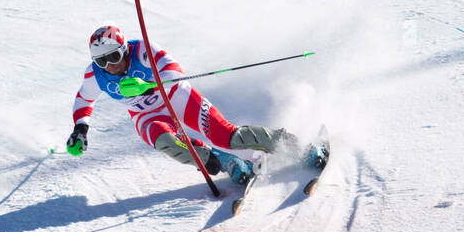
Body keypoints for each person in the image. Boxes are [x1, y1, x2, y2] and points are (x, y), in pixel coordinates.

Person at [66, 25, 305, 184]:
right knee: (169, 143)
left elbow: (175, 72)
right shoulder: (95, 75)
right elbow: (83, 100)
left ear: (125, 50)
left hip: (178, 98)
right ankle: (227, 162)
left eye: (114, 57)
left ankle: (292, 144)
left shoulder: (143, 51)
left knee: (227, 136)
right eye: (101, 60)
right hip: (146, 115)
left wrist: (148, 84)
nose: (109, 66)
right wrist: (80, 130)